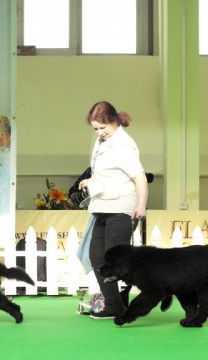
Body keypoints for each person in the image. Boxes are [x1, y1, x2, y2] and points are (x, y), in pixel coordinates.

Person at [77, 101, 148, 319]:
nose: (99, 132)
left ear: (114, 121)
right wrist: (90, 181)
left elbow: (139, 177)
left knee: (118, 262)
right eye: (95, 128)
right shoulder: (102, 142)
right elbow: (110, 174)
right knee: (96, 256)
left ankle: (155, 292)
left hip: (120, 208)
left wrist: (141, 206)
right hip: (103, 207)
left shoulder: (123, 145)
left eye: (103, 128)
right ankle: (114, 306)